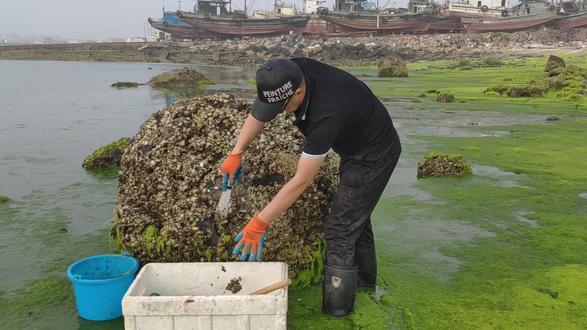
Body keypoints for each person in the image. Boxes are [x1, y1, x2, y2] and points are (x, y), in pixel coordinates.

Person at [220, 57, 401, 316]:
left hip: (375, 153)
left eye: (282, 107)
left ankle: (337, 313)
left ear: (300, 91)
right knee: (355, 220)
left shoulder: (326, 112)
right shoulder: (282, 74)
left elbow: (302, 180)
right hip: (352, 143)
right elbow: (259, 114)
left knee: (340, 230)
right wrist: (236, 152)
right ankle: (364, 287)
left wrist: (260, 222)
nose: (280, 113)